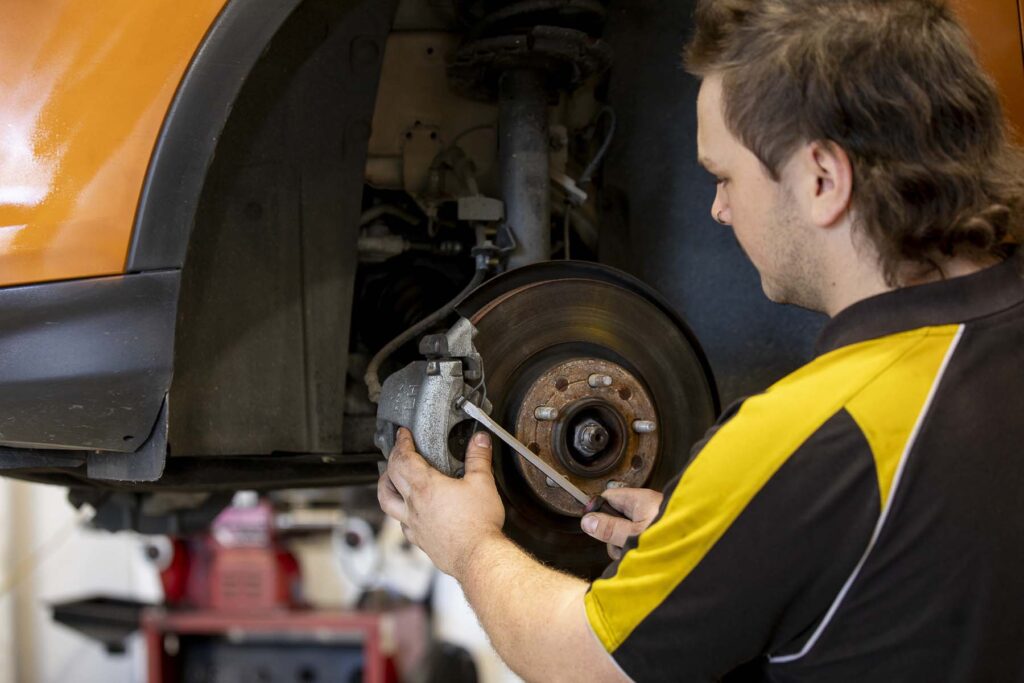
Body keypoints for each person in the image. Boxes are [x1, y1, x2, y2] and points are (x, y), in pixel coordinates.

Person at [378, 0, 1024, 680]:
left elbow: (583, 662)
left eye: (724, 177)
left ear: (822, 180)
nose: (717, 208)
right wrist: (729, 537)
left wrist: (468, 542)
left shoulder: (810, 438)